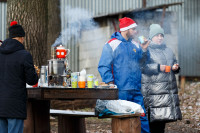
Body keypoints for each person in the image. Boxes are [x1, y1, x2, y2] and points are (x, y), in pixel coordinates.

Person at [98, 17, 150, 133]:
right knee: (122, 118)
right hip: (120, 89)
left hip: (136, 88)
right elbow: (103, 66)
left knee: (142, 117)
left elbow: (143, 62)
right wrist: (110, 83)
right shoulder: (111, 44)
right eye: (134, 29)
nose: (136, 32)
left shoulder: (136, 44)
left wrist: (145, 50)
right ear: (126, 29)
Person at [141, 24, 182, 133]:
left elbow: (174, 62)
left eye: (161, 35)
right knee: (152, 124)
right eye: (157, 35)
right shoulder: (147, 50)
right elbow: (142, 67)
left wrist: (175, 67)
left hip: (167, 94)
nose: (160, 38)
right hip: (153, 95)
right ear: (151, 37)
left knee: (161, 126)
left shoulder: (168, 50)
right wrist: (159, 67)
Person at [0, 21, 38, 133]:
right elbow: (32, 80)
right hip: (15, 105)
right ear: (21, 38)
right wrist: (35, 72)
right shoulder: (24, 55)